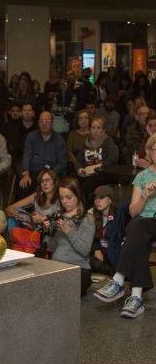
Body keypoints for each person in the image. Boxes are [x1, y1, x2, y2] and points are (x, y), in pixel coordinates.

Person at [93, 133, 156, 317]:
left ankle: (119, 280)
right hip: (144, 224)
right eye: (155, 148)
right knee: (137, 231)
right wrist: (145, 195)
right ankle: (135, 298)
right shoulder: (142, 177)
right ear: (150, 151)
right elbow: (132, 211)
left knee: (136, 229)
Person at [42, 177, 94, 296]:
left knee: (60, 294)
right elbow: (50, 248)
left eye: (69, 197)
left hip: (78, 268)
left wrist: (69, 231)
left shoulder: (87, 219)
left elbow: (85, 250)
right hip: (57, 265)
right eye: (61, 198)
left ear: (78, 196)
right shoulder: (59, 217)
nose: (64, 201)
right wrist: (49, 232)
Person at [18, 111, 67, 196]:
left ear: (52, 123)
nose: (44, 124)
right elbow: (27, 156)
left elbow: (62, 162)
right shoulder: (31, 136)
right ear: (38, 123)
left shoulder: (59, 140)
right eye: (41, 121)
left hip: (51, 173)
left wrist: (50, 174)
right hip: (33, 172)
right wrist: (26, 172)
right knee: (24, 186)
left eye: (47, 121)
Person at [75, 115, 118, 200]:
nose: (96, 130)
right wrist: (79, 169)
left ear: (103, 130)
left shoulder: (108, 141)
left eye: (99, 128)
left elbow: (113, 158)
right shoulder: (86, 143)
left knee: (88, 185)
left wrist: (97, 167)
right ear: (90, 130)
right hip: (87, 173)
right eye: (93, 128)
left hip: (103, 173)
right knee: (74, 183)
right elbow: (77, 161)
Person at [89, 185, 118, 280]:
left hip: (114, 251)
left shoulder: (119, 214)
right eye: (95, 198)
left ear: (110, 199)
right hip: (100, 251)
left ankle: (116, 274)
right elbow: (89, 237)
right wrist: (96, 249)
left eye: (101, 198)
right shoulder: (91, 213)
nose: (97, 201)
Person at [4, 101, 37, 178]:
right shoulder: (13, 128)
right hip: (19, 160)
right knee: (25, 178)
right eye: (25, 110)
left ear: (33, 113)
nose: (27, 113)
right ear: (21, 113)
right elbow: (13, 147)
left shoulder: (38, 129)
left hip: (35, 160)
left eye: (29, 110)